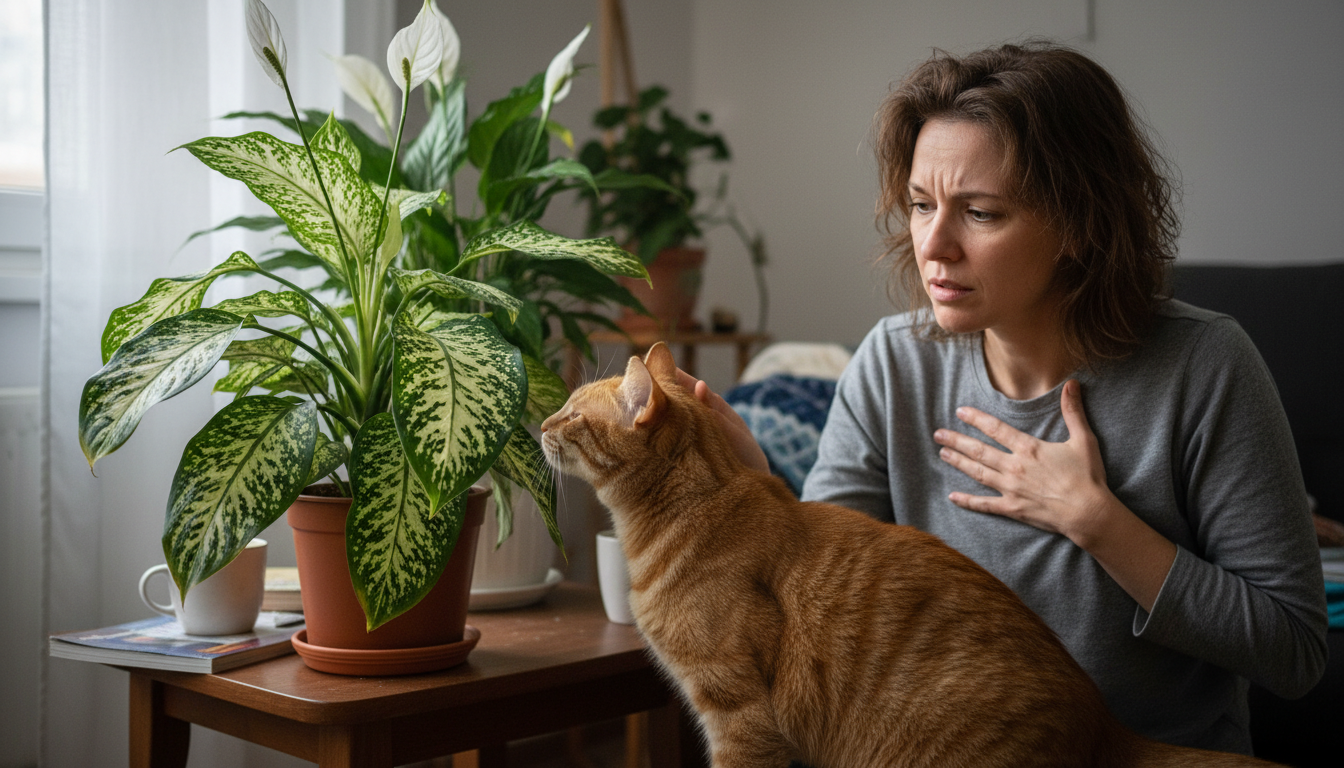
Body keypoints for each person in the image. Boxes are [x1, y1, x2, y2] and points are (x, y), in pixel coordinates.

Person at [681, 42, 1327, 755]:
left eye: (981, 213)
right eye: (921, 205)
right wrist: (757, 495)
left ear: (1080, 221)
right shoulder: (893, 364)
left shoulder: (1205, 366)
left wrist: (1101, 524)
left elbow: (1293, 651)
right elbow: (825, 613)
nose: (934, 245)